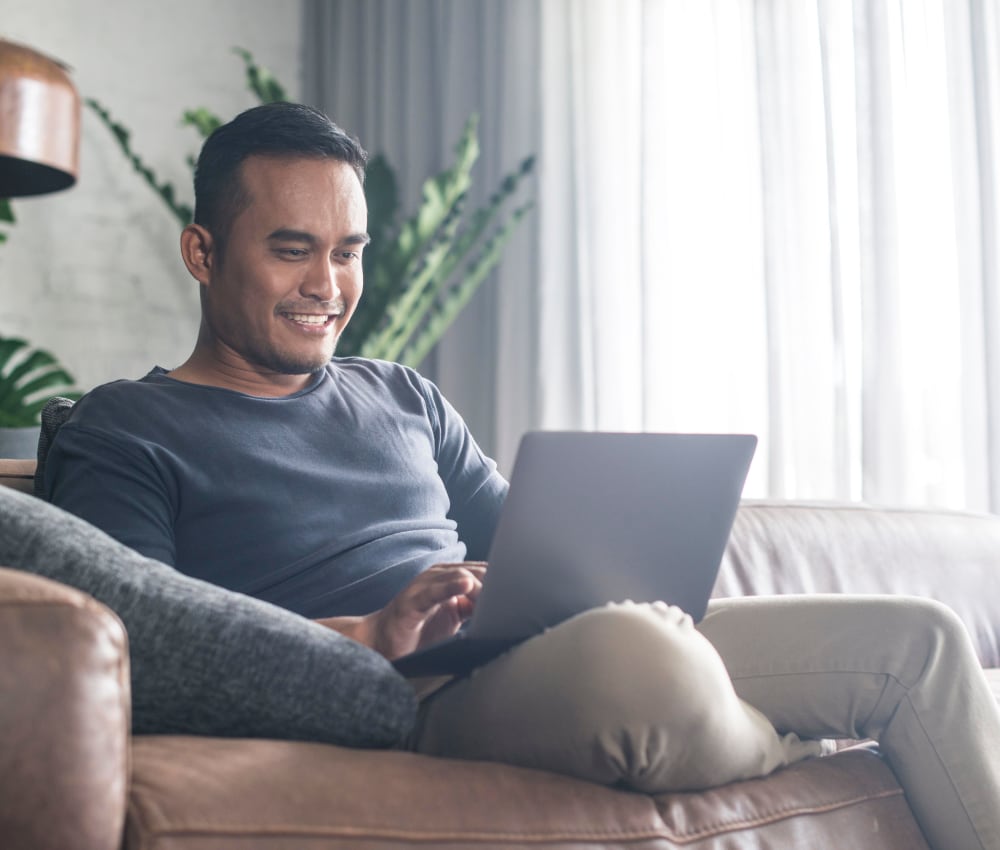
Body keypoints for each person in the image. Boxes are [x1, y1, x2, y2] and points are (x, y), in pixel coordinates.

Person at [45, 102, 1000, 850]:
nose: (327, 287)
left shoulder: (401, 397)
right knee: (644, 661)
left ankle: (733, 710)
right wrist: (366, 634)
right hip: (400, 694)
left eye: (348, 252)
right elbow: (141, 650)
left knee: (917, 638)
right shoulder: (126, 428)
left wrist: (612, 554)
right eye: (291, 249)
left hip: (539, 651)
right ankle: (788, 742)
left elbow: (537, 544)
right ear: (202, 252)